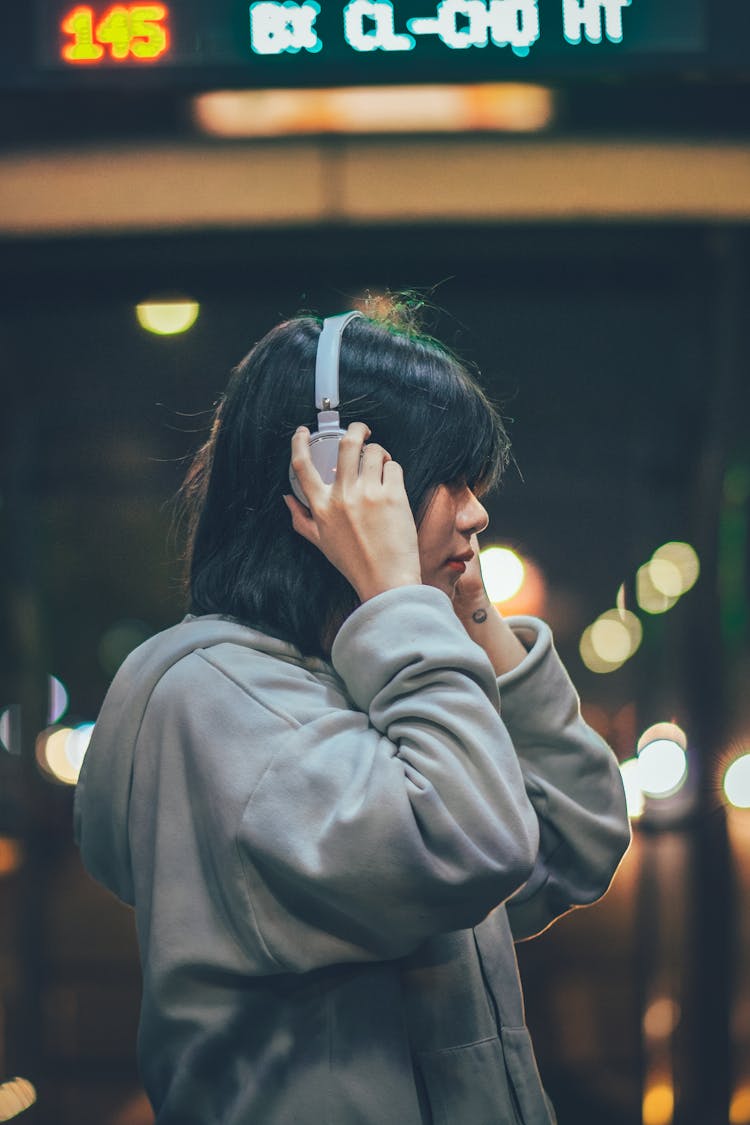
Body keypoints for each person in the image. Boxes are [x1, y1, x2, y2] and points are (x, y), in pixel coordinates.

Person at [74, 303, 630, 1125]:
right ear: (336, 480)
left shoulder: (363, 678)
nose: (475, 512)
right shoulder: (219, 702)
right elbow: (471, 844)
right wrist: (403, 597)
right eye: (449, 478)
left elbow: (575, 836)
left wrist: (466, 602)